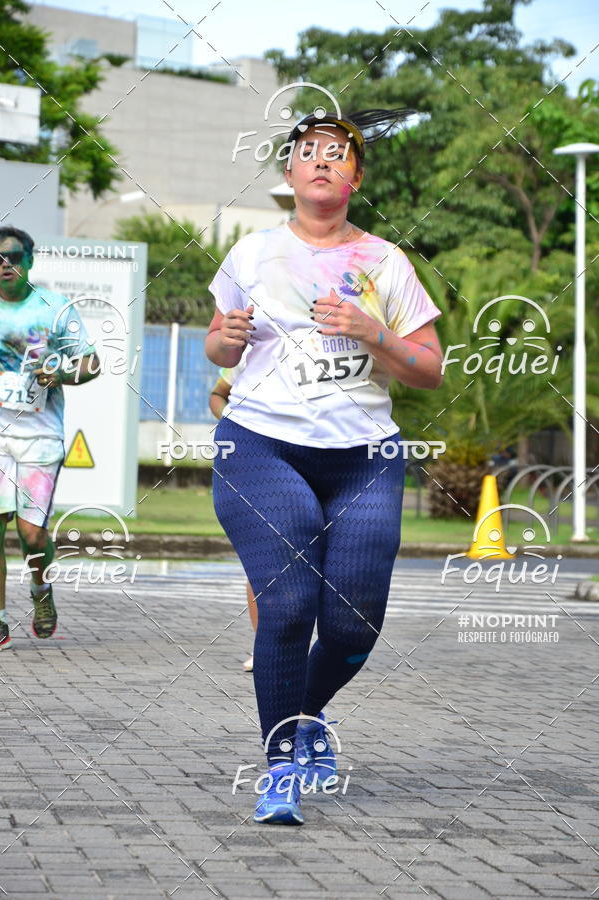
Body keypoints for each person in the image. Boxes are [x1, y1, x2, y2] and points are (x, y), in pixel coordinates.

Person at [205, 109, 443, 826]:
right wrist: (227, 338)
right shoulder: (250, 253)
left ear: (355, 177)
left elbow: (429, 370)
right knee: (286, 603)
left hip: (364, 455)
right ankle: (279, 766)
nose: (321, 162)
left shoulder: (386, 263)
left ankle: (309, 712)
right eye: (308, 152)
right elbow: (218, 348)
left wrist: (374, 332)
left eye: (337, 155)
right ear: (289, 172)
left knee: (354, 622)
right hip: (261, 444)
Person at [0, 226, 100, 651]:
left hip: (40, 435)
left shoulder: (54, 308)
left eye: (13, 257)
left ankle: (41, 591)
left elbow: (91, 363)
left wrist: (58, 373)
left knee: (32, 534)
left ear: (30, 260)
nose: (4, 265)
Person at [209, 352, 257, 672]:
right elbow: (217, 394)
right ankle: (266, 643)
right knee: (263, 562)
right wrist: (234, 422)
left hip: (327, 460)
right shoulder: (253, 349)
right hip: (257, 463)